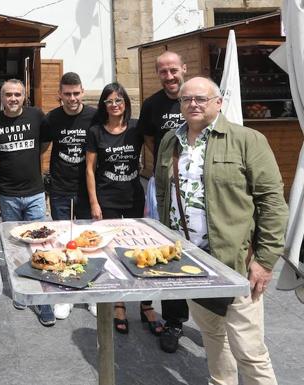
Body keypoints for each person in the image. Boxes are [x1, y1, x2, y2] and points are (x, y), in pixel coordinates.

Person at [156, 77, 288, 384]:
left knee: (249, 352)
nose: (193, 104)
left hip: (235, 264)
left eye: (201, 99)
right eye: (187, 99)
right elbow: (163, 195)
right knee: (213, 336)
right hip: (189, 263)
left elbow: (272, 203)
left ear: (218, 102)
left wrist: (265, 261)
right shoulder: (169, 141)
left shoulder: (247, 139)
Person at [86, 82, 162, 335]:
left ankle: (145, 303)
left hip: (133, 197)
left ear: (126, 103)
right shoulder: (96, 131)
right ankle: (118, 302)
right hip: (107, 198)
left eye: (119, 100)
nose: (115, 105)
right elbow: (89, 169)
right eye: (109, 101)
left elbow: (156, 150)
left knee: (140, 249)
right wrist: (94, 202)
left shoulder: (136, 127)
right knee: (111, 251)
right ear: (103, 105)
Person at [0, 79, 55, 326]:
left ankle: (43, 299)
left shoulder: (36, 115)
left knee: (40, 245)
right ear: (1, 97)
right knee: (15, 246)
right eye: (8, 95)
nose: (13, 98)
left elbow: (45, 142)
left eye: (17, 94)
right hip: (7, 194)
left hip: (35, 192)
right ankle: (21, 289)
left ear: (24, 97)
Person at [137, 50, 189, 352]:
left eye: (173, 70)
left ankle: (215, 317)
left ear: (184, 68)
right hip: (165, 188)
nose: (169, 76)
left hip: (200, 185)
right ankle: (174, 320)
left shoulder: (199, 96)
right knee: (168, 251)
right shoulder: (152, 104)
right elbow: (149, 140)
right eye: (163, 72)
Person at [43, 72, 99, 320]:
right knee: (63, 239)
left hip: (87, 187)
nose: (72, 98)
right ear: (60, 94)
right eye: (67, 94)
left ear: (82, 92)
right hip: (60, 186)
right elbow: (42, 146)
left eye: (76, 93)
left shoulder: (95, 115)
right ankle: (65, 294)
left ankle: (88, 292)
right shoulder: (53, 118)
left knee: (88, 240)